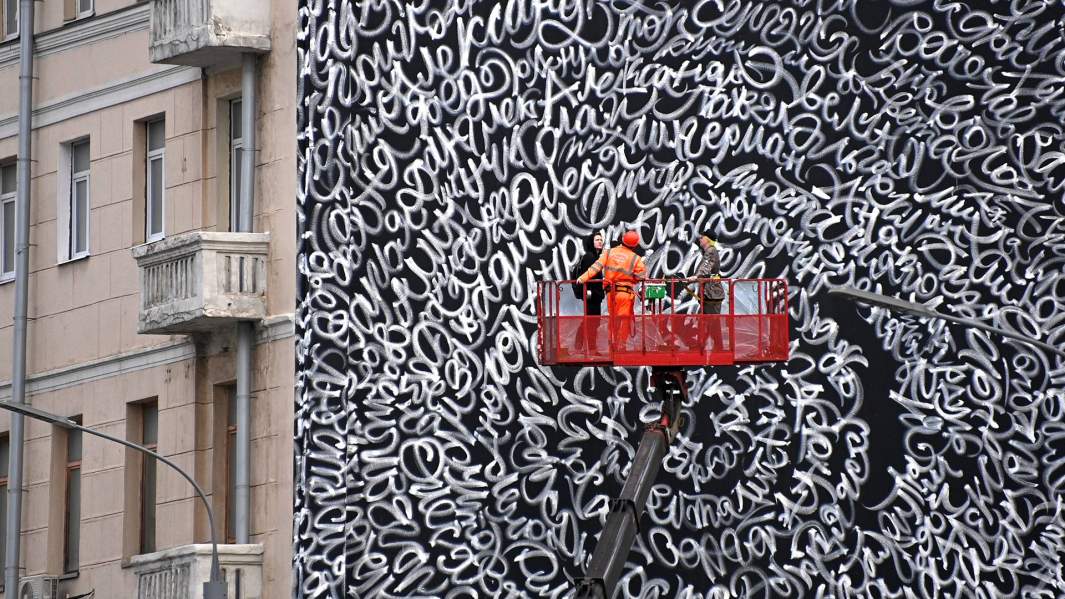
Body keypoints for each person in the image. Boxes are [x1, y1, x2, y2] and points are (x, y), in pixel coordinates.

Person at [576, 230, 647, 349]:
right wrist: (633, 279)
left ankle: (612, 344)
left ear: (622, 240)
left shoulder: (609, 253)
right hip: (625, 294)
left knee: (613, 320)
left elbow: (596, 267)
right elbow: (642, 276)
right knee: (624, 320)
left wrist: (582, 278)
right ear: (635, 245)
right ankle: (621, 346)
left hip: (611, 293)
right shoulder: (635, 258)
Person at [688, 232, 726, 350]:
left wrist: (695, 277)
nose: (699, 239)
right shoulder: (709, 251)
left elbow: (705, 268)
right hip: (710, 292)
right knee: (707, 320)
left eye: (702, 237)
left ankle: (712, 346)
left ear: (708, 239)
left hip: (712, 293)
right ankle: (704, 345)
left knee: (710, 321)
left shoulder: (710, 251)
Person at [572, 231, 606, 353]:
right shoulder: (590, 257)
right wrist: (589, 292)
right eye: (597, 240)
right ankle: (590, 347)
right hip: (592, 295)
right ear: (591, 243)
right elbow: (585, 276)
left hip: (594, 295)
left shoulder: (594, 257)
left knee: (592, 321)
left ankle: (581, 345)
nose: (600, 242)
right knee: (593, 322)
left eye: (601, 240)